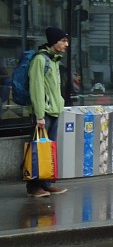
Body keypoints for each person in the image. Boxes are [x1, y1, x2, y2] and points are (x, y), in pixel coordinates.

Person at [25, 26, 70, 197]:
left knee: (48, 150)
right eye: (63, 41)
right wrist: (39, 115)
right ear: (54, 42)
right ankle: (33, 186)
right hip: (43, 113)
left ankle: (46, 184)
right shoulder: (40, 60)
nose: (66, 44)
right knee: (37, 150)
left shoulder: (54, 60)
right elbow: (36, 88)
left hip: (54, 111)